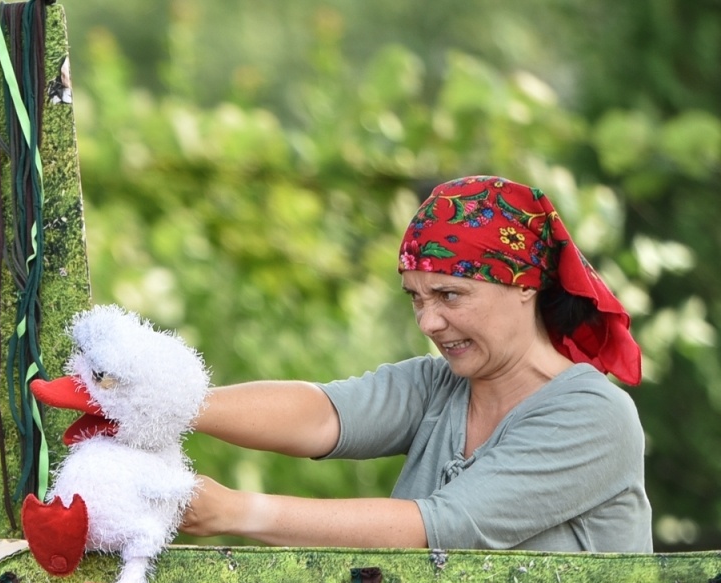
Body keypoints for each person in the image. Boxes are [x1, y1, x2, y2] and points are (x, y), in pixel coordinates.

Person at [178, 175, 652, 552]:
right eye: (416, 298)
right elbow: (323, 415)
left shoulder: (594, 417)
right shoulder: (437, 386)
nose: (429, 322)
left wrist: (234, 511)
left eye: (450, 295)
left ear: (524, 285)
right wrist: (171, 404)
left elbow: (435, 528)